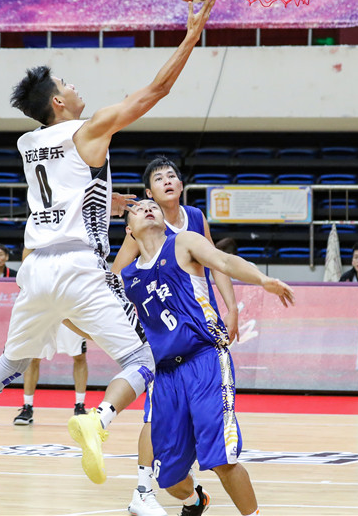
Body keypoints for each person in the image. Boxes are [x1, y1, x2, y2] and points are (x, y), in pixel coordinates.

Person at [0, 0, 217, 489]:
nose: (74, 85)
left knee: (10, 360)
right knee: (143, 360)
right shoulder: (88, 131)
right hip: (79, 266)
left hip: (35, 268)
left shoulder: (28, 144)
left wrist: (111, 201)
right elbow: (157, 90)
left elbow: (71, 193)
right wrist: (191, 35)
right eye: (66, 83)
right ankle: (98, 419)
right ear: (58, 103)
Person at [120, 199, 295, 516]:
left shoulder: (184, 242)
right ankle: (196, 500)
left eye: (153, 206)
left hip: (205, 359)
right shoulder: (129, 276)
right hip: (166, 375)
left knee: (221, 459)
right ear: (129, 230)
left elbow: (224, 261)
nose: (148, 209)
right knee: (169, 477)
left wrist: (261, 279)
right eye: (139, 207)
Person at [111, 156, 240, 516]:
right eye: (159, 178)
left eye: (172, 176)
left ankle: (177, 488)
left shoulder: (194, 218)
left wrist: (231, 308)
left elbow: (218, 262)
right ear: (147, 192)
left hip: (197, 331)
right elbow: (115, 280)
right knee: (152, 416)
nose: (167, 181)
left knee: (200, 426)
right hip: (161, 338)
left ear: (181, 185)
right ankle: (143, 489)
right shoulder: (144, 225)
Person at [13, 324, 89, 425]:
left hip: (69, 315)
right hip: (44, 316)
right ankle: (27, 407)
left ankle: (80, 406)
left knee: (79, 355)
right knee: (33, 357)